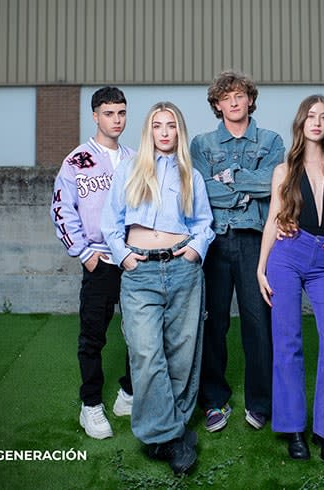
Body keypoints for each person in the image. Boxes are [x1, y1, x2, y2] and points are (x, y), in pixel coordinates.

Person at [102, 101, 214, 475]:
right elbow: (110, 221)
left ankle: (168, 435)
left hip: (182, 270)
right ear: (148, 131)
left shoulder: (190, 175)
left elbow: (203, 223)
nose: (164, 132)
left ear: (179, 131)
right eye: (157, 125)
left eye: (171, 126)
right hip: (140, 273)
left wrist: (195, 251)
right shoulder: (130, 171)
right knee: (147, 354)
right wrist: (124, 257)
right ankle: (170, 436)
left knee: (182, 355)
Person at [257, 95, 324, 463]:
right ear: (301, 122)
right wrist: (261, 267)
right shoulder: (284, 169)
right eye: (310, 116)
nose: (316, 122)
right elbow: (273, 220)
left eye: (323, 117)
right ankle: (294, 428)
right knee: (288, 342)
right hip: (287, 255)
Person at [190, 70, 285, 432]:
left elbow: (275, 185)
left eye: (240, 95)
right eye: (226, 96)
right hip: (213, 242)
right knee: (212, 323)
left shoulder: (272, 140)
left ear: (249, 100)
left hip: (254, 241)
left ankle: (260, 403)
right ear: (217, 104)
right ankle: (214, 401)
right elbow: (199, 191)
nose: (233, 101)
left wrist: (229, 180)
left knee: (258, 323)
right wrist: (248, 187)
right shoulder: (201, 144)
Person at [50, 86, 134, 440]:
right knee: (93, 336)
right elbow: (60, 209)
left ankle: (129, 394)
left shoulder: (135, 158)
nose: (116, 120)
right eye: (109, 113)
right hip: (99, 259)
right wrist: (84, 254)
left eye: (121, 113)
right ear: (95, 115)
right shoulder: (77, 161)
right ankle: (91, 406)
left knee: (139, 331)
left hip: (132, 258)